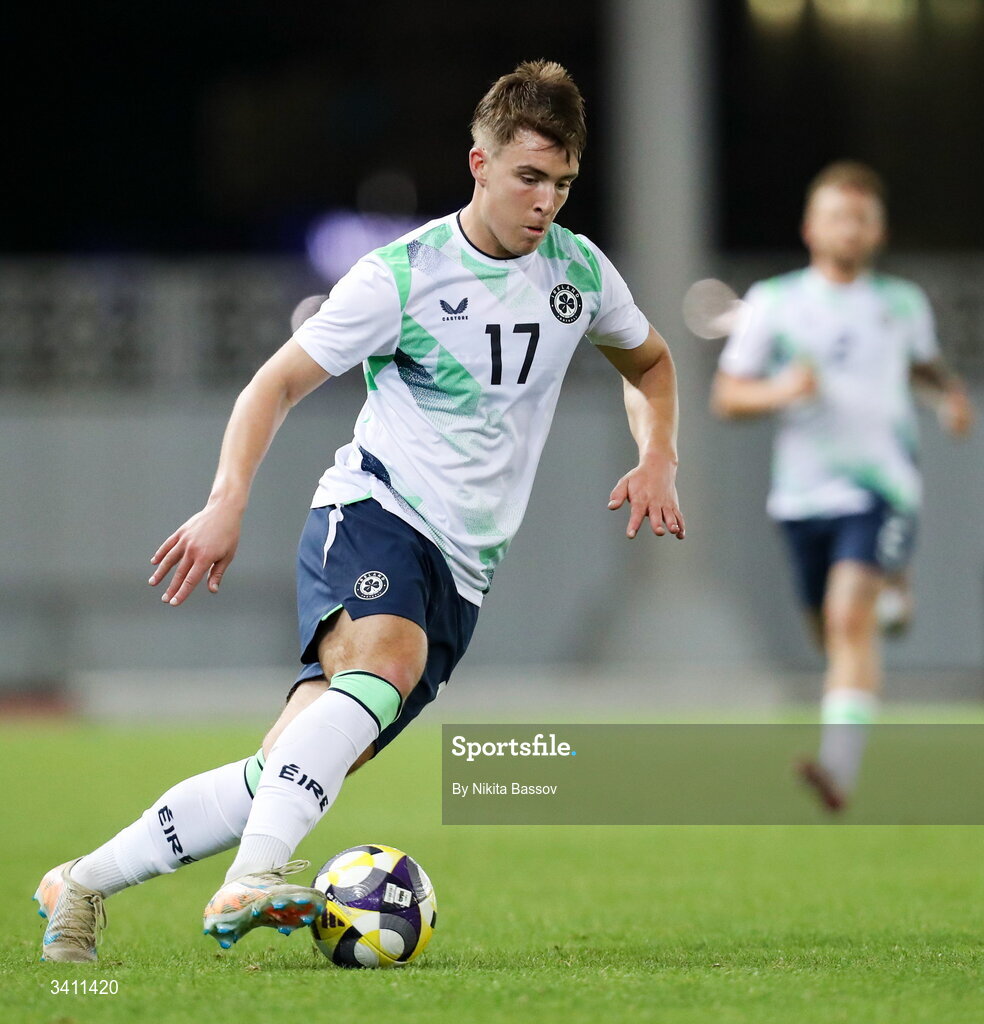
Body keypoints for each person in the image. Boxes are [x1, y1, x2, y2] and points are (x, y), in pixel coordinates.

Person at [34, 60, 685, 962]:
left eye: (564, 184)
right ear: (480, 164)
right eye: (530, 177)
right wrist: (227, 503)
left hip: (465, 566)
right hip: (374, 510)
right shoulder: (403, 275)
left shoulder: (579, 271)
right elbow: (275, 383)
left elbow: (651, 364)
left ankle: (81, 883)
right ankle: (257, 876)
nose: (547, 203)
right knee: (387, 660)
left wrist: (658, 455)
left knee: (292, 765)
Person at [711, 161, 973, 812]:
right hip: (802, 496)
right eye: (836, 215)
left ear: (877, 231)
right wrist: (783, 390)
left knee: (847, 619)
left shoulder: (901, 303)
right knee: (828, 630)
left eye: (860, 217)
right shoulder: (776, 302)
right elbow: (727, 395)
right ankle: (892, 589)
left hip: (881, 485)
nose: (848, 228)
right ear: (810, 226)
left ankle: (838, 770)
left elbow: (922, 365)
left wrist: (950, 396)